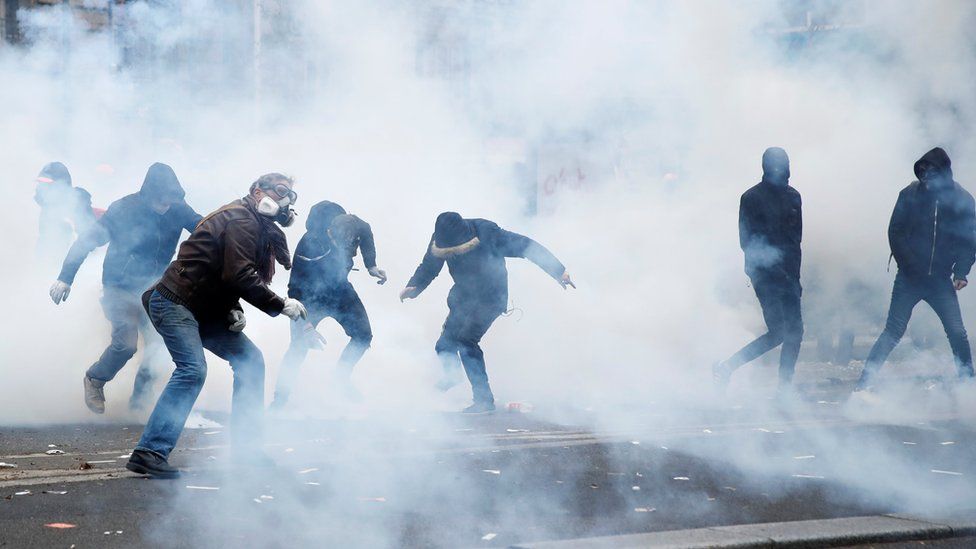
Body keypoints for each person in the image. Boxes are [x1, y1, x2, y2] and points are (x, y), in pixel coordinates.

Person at [125, 173, 307, 478]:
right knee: (192, 370)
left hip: (204, 308)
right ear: (257, 191)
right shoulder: (242, 219)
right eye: (279, 192)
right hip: (175, 302)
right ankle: (149, 452)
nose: (284, 200)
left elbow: (222, 271)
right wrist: (280, 304)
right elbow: (239, 275)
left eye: (289, 196)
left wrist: (232, 308)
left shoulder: (252, 222)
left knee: (250, 361)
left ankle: (247, 451)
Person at [50, 163, 202, 413]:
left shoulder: (177, 208)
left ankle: (139, 403)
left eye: (171, 201)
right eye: (162, 200)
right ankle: (95, 379)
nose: (166, 207)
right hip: (118, 287)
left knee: (160, 346)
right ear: (151, 193)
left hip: (156, 289)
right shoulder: (124, 209)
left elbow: (204, 228)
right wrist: (65, 277)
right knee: (126, 344)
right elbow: (87, 240)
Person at [400, 212, 574, 414]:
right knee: (444, 345)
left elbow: (526, 246)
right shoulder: (441, 237)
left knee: (466, 340)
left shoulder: (487, 233)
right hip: (463, 297)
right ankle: (452, 374)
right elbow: (429, 266)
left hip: (491, 297)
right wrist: (414, 286)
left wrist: (558, 271)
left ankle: (483, 401)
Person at [855, 147, 976, 391]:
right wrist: (910, 264)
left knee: (957, 333)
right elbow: (895, 232)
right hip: (909, 278)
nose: (926, 179)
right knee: (893, 331)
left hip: (940, 280)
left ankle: (969, 387)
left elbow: (969, 239)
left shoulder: (962, 200)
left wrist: (961, 271)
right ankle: (863, 386)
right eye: (923, 173)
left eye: (932, 173)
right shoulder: (909, 194)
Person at [271, 202, 387, 409]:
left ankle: (341, 379)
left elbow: (367, 234)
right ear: (328, 231)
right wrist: (305, 327)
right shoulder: (309, 244)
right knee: (299, 347)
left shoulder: (356, 226)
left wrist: (372, 265)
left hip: (342, 292)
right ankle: (280, 400)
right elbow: (295, 289)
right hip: (309, 297)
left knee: (363, 335)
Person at [713, 147, 804, 395]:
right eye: (775, 166)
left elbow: (796, 241)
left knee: (795, 333)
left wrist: (795, 278)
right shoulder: (751, 198)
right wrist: (773, 271)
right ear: (765, 167)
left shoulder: (794, 196)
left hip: (788, 275)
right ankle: (727, 367)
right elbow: (747, 241)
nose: (780, 172)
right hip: (764, 275)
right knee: (778, 333)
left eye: (783, 166)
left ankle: (784, 389)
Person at [34, 161, 97, 261]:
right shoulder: (48, 205)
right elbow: (45, 238)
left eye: (48, 183)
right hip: (46, 258)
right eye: (41, 183)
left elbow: (88, 238)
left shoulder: (77, 202)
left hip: (68, 261)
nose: (43, 187)